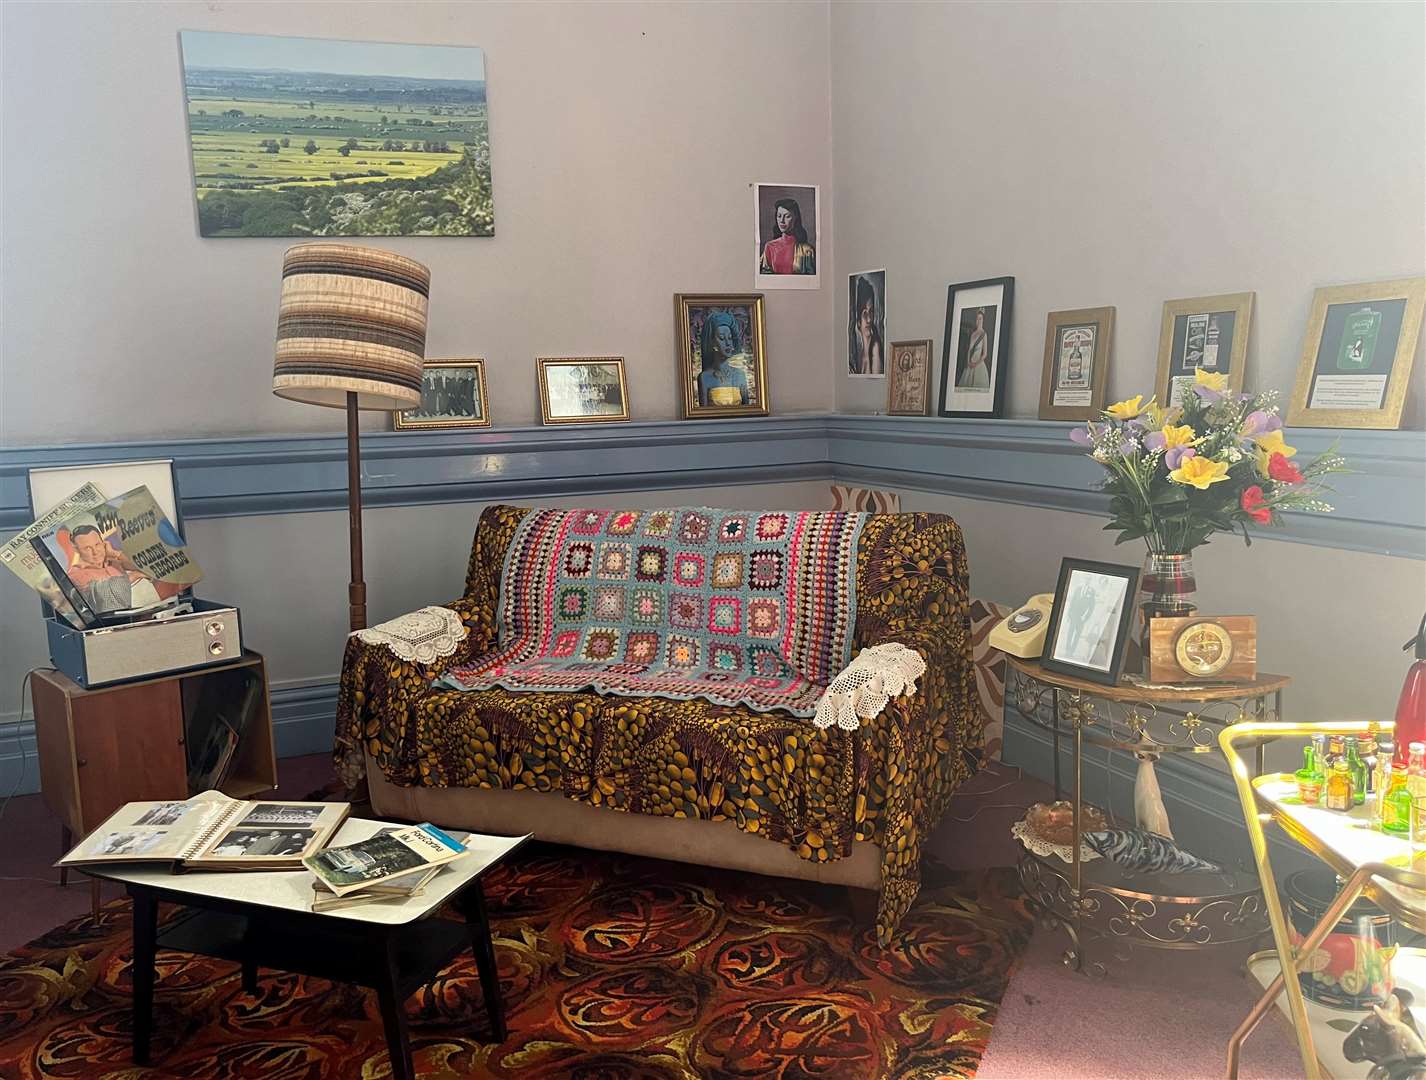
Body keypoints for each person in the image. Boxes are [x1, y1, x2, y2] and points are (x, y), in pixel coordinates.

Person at [65, 524, 175, 613]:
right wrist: (134, 575)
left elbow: (148, 568)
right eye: (87, 548)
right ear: (76, 550)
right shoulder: (75, 574)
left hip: (151, 611)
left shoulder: (114, 562)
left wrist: (115, 553)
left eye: (97, 544)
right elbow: (103, 594)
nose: (95, 552)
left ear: (103, 542)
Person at [698, 311, 751, 405]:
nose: (728, 343)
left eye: (730, 338)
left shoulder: (740, 375)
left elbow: (748, 412)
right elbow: (704, 416)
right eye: (722, 338)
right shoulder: (704, 378)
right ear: (713, 343)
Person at [759, 197, 816, 275]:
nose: (782, 221)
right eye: (779, 216)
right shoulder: (770, 247)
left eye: (787, 216)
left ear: (795, 218)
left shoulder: (807, 250)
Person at [849, 276, 883, 375]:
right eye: (864, 313)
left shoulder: (875, 349)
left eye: (871, 312)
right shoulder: (859, 355)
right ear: (858, 321)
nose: (869, 319)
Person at [956, 308, 991, 389]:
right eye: (977, 318)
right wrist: (968, 362)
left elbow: (985, 354)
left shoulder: (984, 334)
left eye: (980, 318)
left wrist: (976, 363)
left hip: (978, 363)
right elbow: (969, 350)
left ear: (983, 320)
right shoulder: (973, 334)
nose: (979, 321)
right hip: (969, 363)